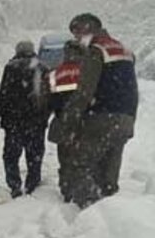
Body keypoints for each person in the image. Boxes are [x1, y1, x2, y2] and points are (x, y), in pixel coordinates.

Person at [59, 13, 138, 207]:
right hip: (125, 119)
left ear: (87, 29)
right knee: (110, 172)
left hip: (101, 118)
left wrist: (69, 120)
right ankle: (110, 210)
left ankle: (89, 212)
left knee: (81, 166)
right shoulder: (125, 50)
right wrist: (131, 119)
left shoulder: (96, 50)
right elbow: (133, 89)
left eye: (77, 33)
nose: (77, 39)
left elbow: (85, 91)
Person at [0, 40, 50, 198]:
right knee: (35, 154)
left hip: (14, 119)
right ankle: (32, 183)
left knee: (11, 155)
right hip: (36, 120)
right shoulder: (43, 67)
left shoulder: (11, 67)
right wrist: (45, 115)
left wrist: (0, 114)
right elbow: (48, 95)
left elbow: (4, 94)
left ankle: (14, 184)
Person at [46, 38, 87, 203]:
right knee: (82, 156)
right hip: (83, 120)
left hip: (62, 120)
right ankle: (81, 189)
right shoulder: (87, 72)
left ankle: (66, 188)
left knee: (64, 157)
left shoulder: (55, 73)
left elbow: (50, 100)